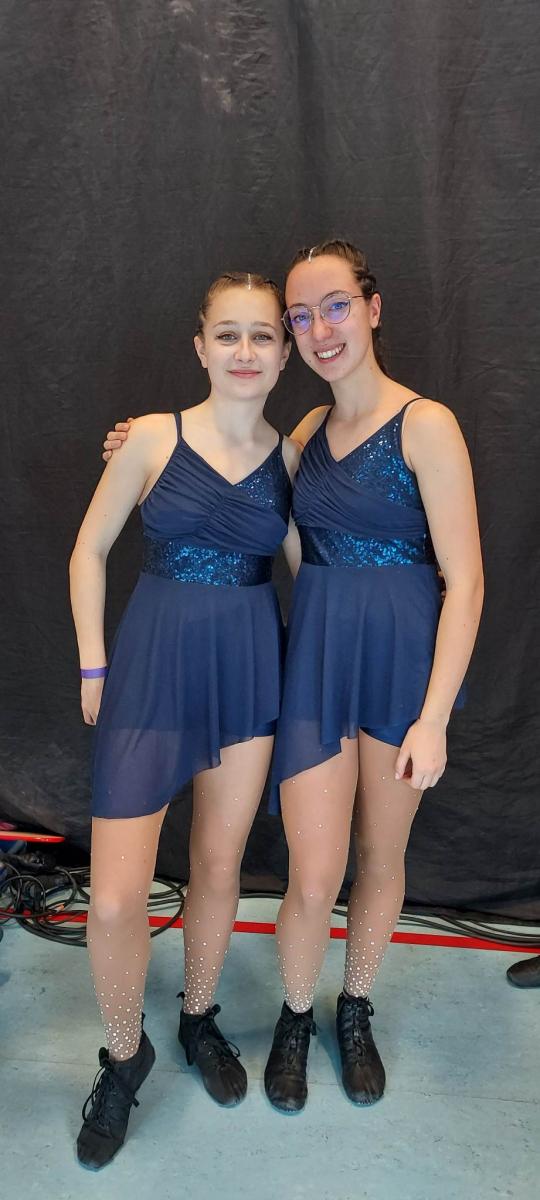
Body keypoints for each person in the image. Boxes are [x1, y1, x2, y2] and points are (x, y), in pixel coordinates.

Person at [103, 238, 484, 1115]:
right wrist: (139, 447)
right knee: (313, 876)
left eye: (335, 306)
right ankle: (296, 1012)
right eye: (303, 316)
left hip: (401, 669)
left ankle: (355, 1006)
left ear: (372, 309)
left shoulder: (427, 424)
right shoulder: (305, 432)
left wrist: (433, 718)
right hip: (316, 661)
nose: (321, 329)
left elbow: (466, 581)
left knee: (382, 857)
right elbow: (229, 480)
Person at [70, 272, 299, 1169]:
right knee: (115, 897)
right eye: (228, 334)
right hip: (152, 674)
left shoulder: (292, 462)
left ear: (284, 353)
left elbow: (321, 565)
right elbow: (89, 549)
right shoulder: (150, 438)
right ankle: (125, 1055)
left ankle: (198, 1014)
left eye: (262, 335)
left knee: (218, 864)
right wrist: (94, 662)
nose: (245, 351)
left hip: (247, 677)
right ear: (200, 347)